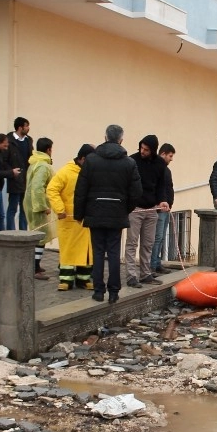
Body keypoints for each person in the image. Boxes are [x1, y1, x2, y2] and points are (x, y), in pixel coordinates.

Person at [73, 124, 142, 304]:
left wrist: (79, 214)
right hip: (117, 212)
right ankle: (113, 292)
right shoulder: (129, 163)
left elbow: (81, 189)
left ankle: (98, 290)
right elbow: (136, 192)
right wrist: (125, 208)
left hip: (95, 211)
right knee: (113, 252)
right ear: (121, 139)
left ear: (105, 138)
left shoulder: (91, 160)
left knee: (97, 252)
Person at [47, 144, 94, 291]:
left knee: (86, 251)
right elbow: (52, 189)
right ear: (83, 158)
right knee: (68, 250)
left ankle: (83, 279)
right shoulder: (65, 172)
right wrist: (59, 209)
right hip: (68, 219)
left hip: (85, 219)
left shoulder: (90, 172)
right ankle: (66, 279)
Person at [124, 134, 169, 288]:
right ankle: (131, 276)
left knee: (148, 244)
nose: (143, 151)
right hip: (135, 209)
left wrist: (163, 200)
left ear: (153, 150)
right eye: (141, 148)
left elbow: (162, 186)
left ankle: (145, 274)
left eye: (146, 149)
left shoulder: (160, 164)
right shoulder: (132, 160)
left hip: (152, 209)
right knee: (132, 243)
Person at [22, 137, 56, 279]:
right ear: (48, 149)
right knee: (40, 237)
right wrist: (42, 206)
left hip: (30, 203)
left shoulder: (34, 163)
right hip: (37, 206)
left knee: (39, 235)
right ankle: (34, 268)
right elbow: (37, 187)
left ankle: (36, 264)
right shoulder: (43, 166)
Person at [150, 143, 176, 275]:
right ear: (163, 154)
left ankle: (157, 263)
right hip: (160, 210)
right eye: (170, 156)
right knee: (157, 237)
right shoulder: (157, 168)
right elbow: (157, 189)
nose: (171, 159)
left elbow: (168, 188)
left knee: (160, 238)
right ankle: (152, 266)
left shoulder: (166, 170)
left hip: (166, 209)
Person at [6, 116, 32, 231]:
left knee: (24, 208)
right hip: (14, 179)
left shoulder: (28, 140)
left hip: (26, 178)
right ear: (20, 127)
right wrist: (11, 172)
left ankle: (23, 233)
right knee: (12, 208)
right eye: (26, 126)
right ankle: (10, 233)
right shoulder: (9, 140)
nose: (28, 128)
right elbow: (4, 159)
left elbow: (31, 157)